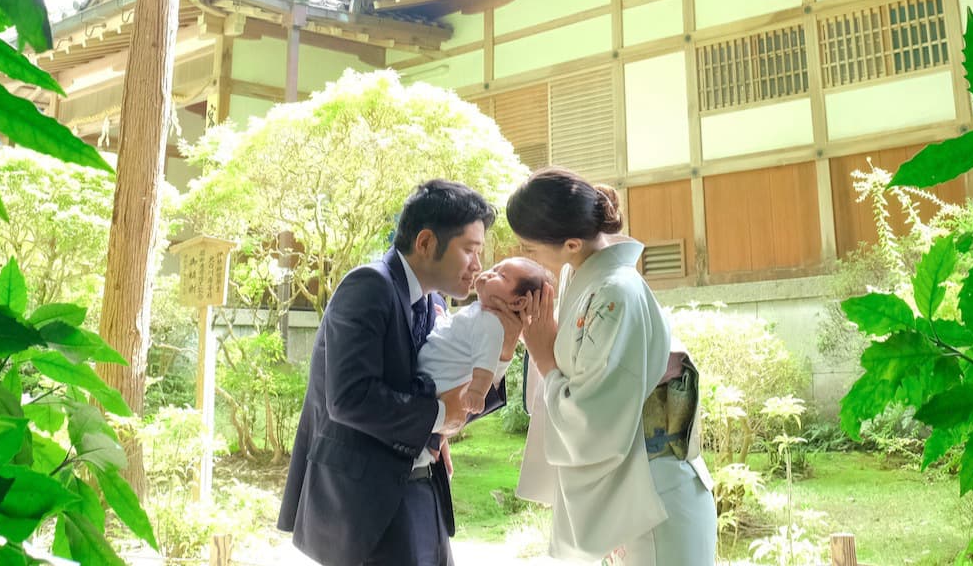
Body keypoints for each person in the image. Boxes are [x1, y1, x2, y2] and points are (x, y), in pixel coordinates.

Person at [278, 179, 507, 566]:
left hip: (421, 488)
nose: (478, 266)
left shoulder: (432, 299)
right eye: (469, 250)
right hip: (368, 509)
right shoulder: (368, 286)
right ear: (426, 243)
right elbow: (350, 398)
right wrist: (435, 417)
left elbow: (447, 392)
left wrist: (505, 344)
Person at [507, 168, 717, 566]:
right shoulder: (579, 277)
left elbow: (593, 419)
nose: (525, 256)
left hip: (655, 495)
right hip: (629, 492)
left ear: (571, 243)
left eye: (529, 247)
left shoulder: (615, 291)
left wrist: (543, 355)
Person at [417, 256, 552, 414]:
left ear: (518, 302)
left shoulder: (491, 324)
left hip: (435, 384)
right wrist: (443, 319)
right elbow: (459, 331)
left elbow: (485, 363)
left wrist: (477, 392)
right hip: (431, 378)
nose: (488, 273)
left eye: (502, 276)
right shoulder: (479, 310)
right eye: (495, 269)